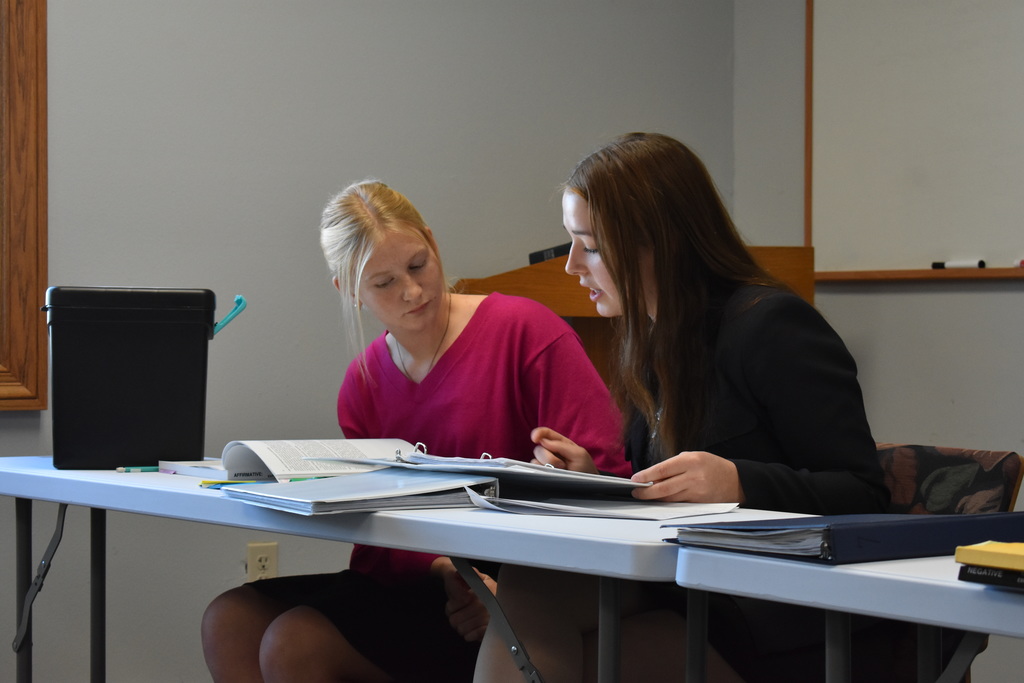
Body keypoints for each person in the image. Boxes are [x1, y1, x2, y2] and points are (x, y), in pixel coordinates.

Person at [473, 133, 892, 683]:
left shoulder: (771, 326)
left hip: (779, 610)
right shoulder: (650, 337)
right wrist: (595, 483)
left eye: (590, 245)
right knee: (530, 583)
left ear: (657, 244)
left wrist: (740, 482)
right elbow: (668, 494)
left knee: (570, 654)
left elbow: (865, 494)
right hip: (690, 586)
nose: (572, 266)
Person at [201, 179, 630, 683]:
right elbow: (374, 533)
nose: (412, 291)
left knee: (293, 643)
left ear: (432, 242)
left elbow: (611, 475)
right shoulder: (361, 384)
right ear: (349, 290)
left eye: (418, 265)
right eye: (383, 283)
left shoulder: (525, 332)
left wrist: (570, 482)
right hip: (422, 575)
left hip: (515, 582)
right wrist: (444, 569)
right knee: (229, 619)